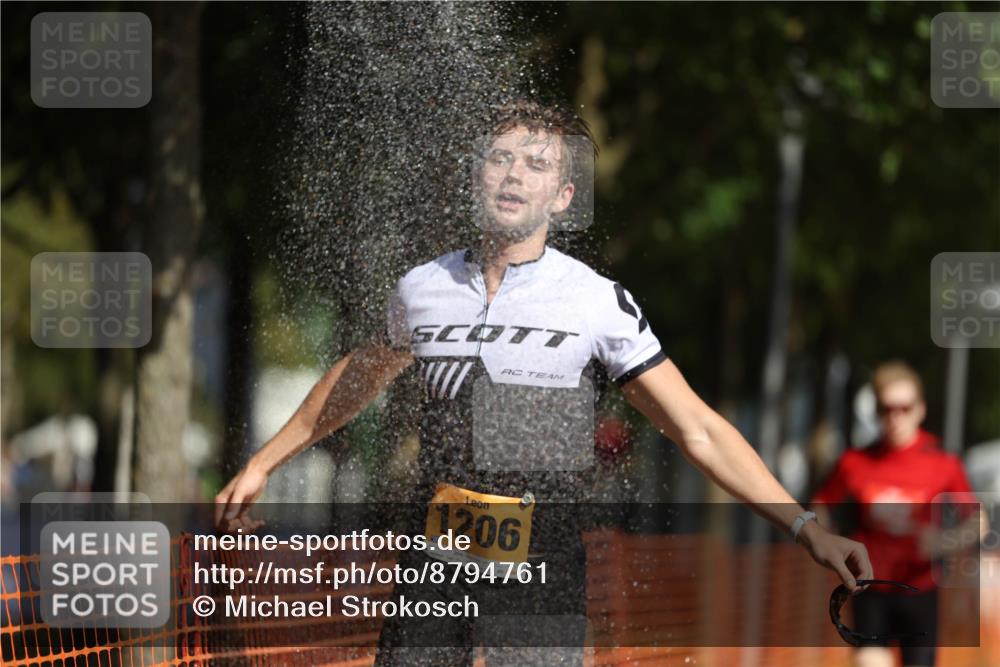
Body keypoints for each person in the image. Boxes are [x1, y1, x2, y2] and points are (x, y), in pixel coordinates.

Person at [216, 100, 873, 666]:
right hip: (437, 554)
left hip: (542, 562)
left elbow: (697, 428)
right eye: (500, 158)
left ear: (562, 196)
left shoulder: (593, 301)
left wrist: (807, 527)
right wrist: (265, 461)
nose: (514, 174)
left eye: (536, 164)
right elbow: (356, 378)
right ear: (478, 176)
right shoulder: (423, 288)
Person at [811, 361, 978, 667]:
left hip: (920, 590)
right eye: (887, 408)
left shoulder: (943, 463)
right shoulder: (854, 462)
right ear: (876, 411)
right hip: (869, 588)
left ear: (921, 409)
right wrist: (830, 541)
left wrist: (945, 541)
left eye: (905, 408)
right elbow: (820, 505)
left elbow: (977, 523)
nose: (896, 417)